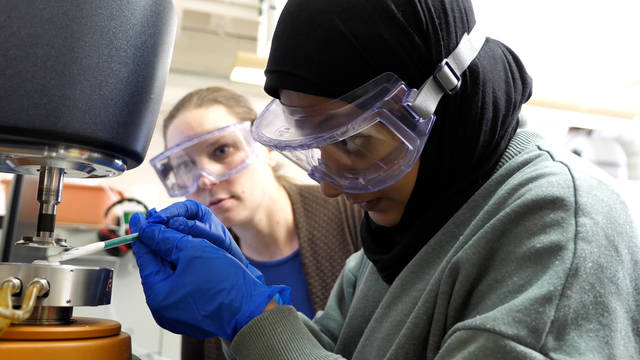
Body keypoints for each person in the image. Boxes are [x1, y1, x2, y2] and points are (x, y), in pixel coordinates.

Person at [131, 0, 640, 358]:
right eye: (316, 146)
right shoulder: (403, 235)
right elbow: (325, 352)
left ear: (441, 102)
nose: (331, 187)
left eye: (353, 142)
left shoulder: (556, 228)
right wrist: (247, 296)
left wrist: (251, 319)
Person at [149, 86, 362, 359]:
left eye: (221, 150)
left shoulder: (352, 214)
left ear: (267, 147)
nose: (205, 178)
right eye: (185, 166)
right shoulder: (203, 266)